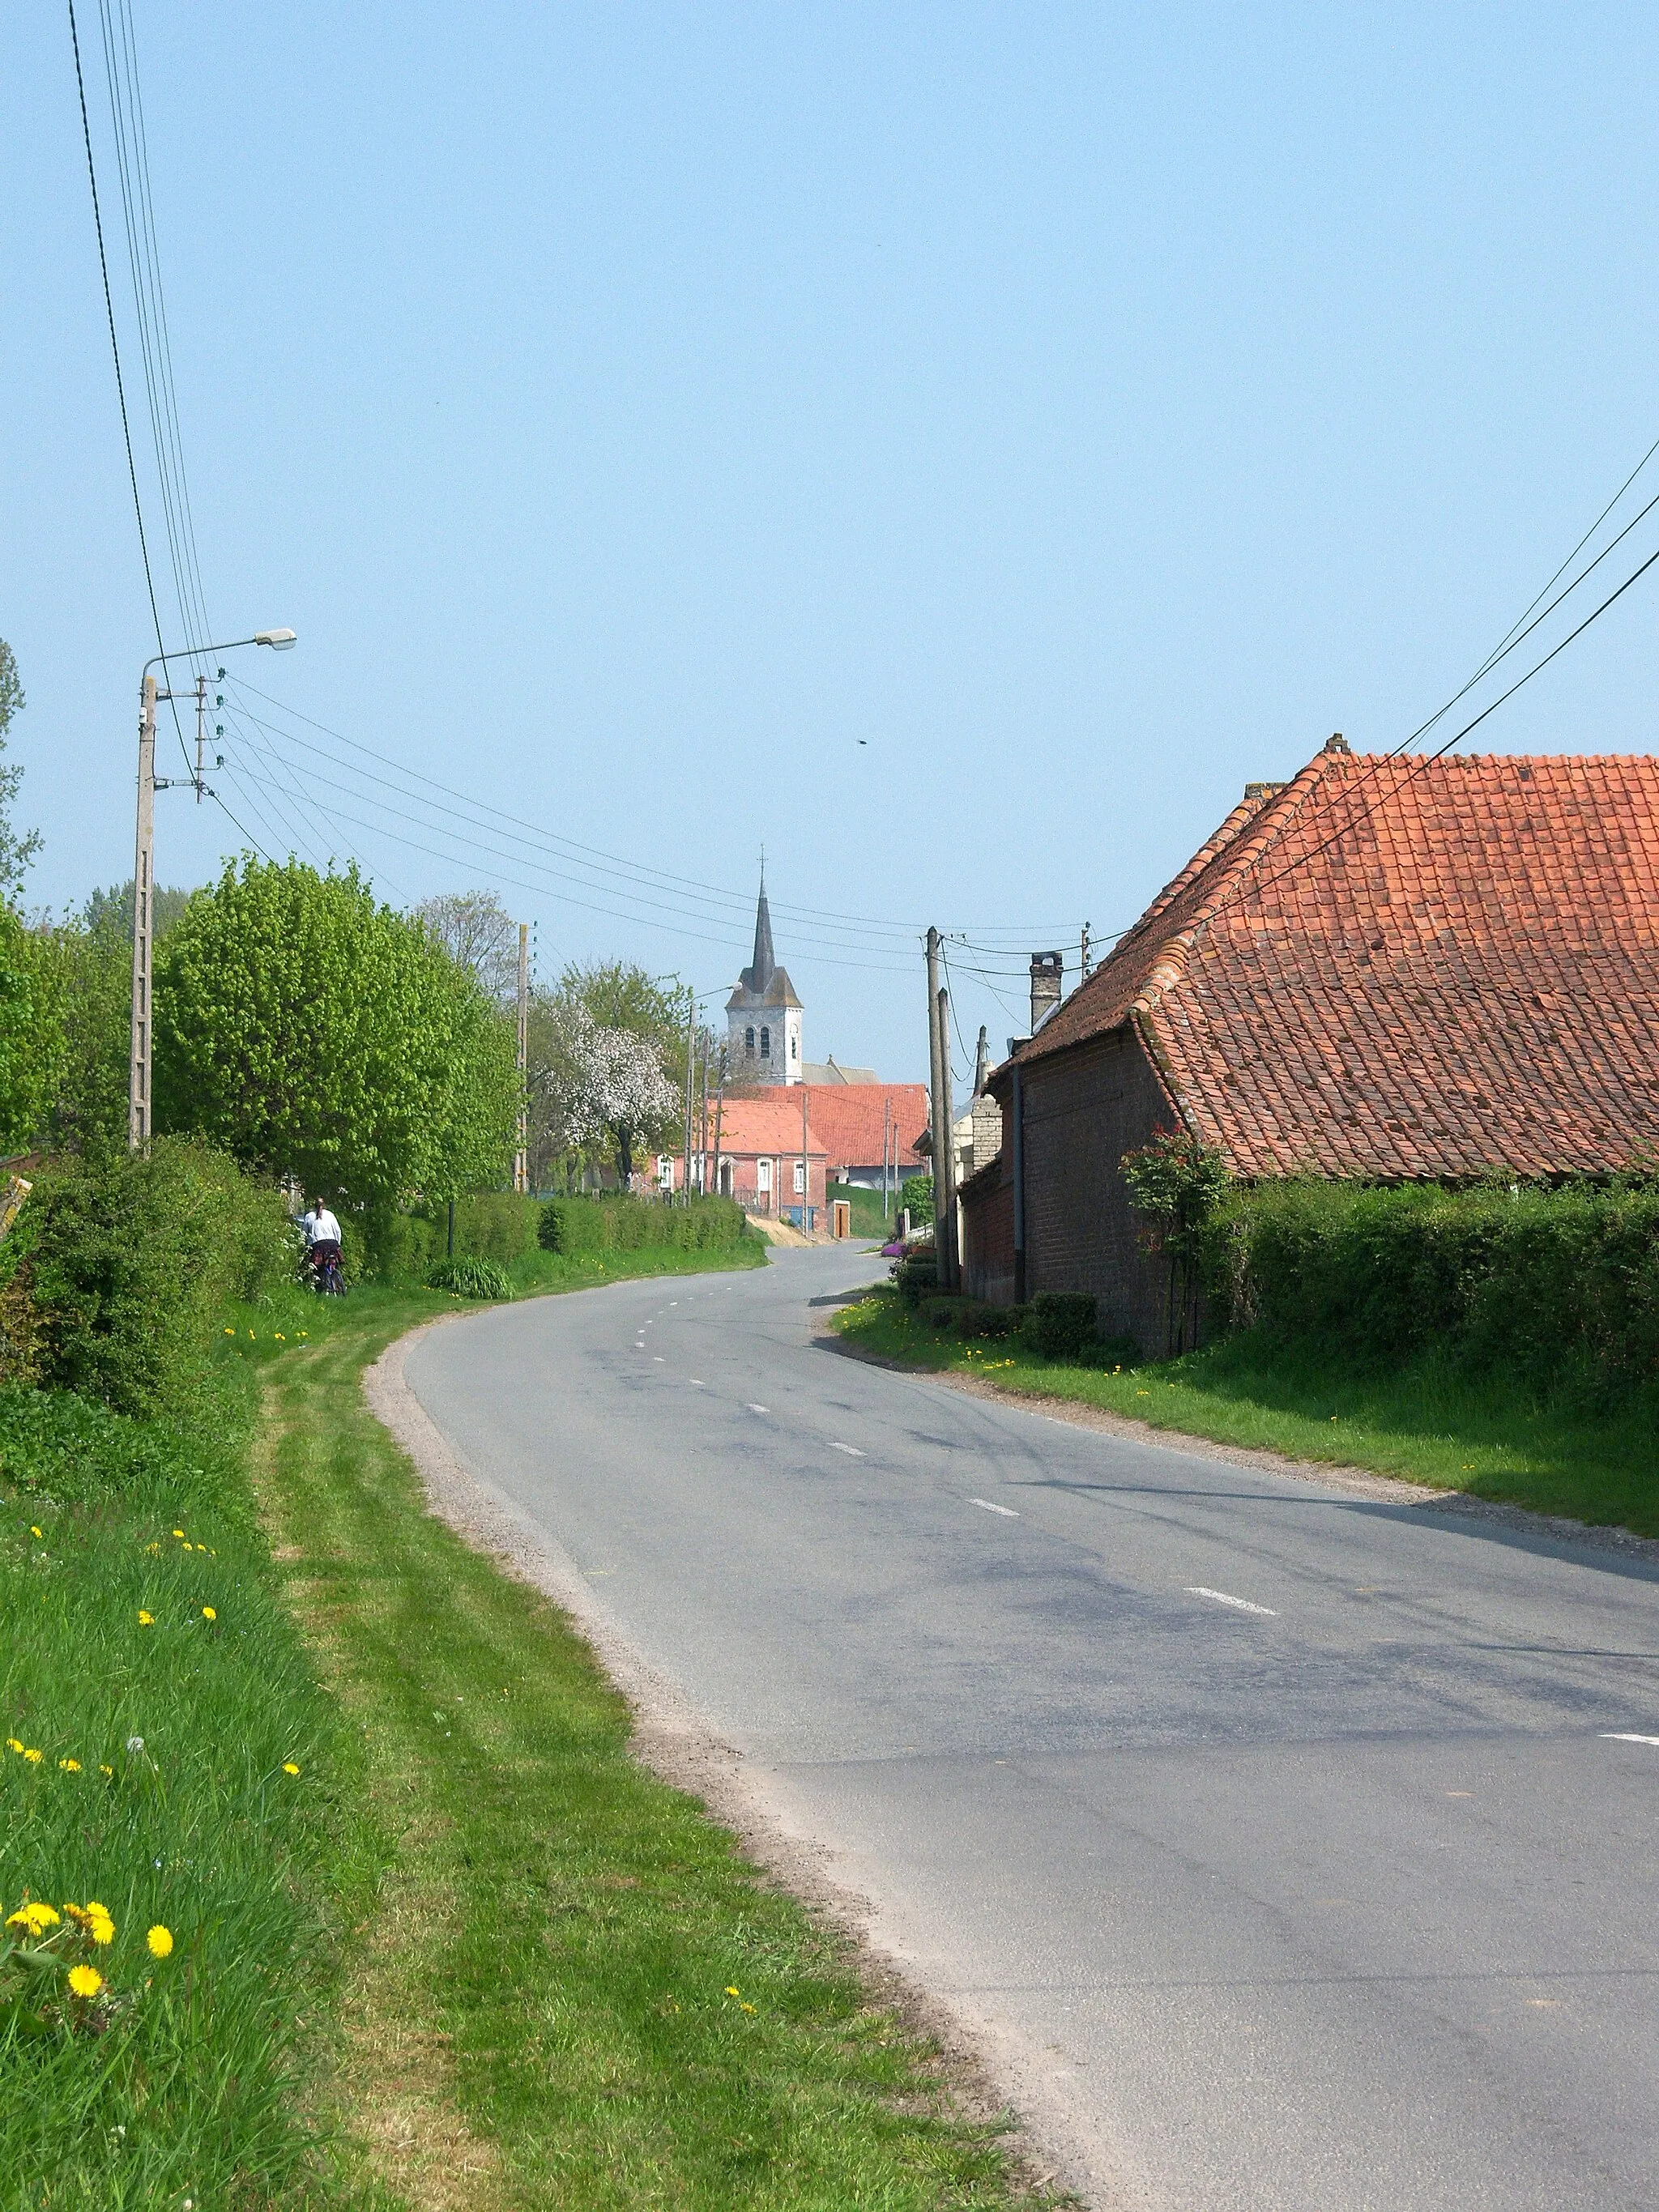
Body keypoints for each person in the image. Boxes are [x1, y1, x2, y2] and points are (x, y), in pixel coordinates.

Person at [301, 1196, 343, 1288]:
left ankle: (320, 1287)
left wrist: (304, 1246)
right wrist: (338, 1245)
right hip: (333, 1244)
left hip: (318, 1245)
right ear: (323, 1205)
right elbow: (338, 1231)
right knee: (335, 1263)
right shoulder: (330, 1215)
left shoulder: (309, 1216)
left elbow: (304, 1233)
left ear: (314, 1206)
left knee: (317, 1267)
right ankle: (338, 1284)